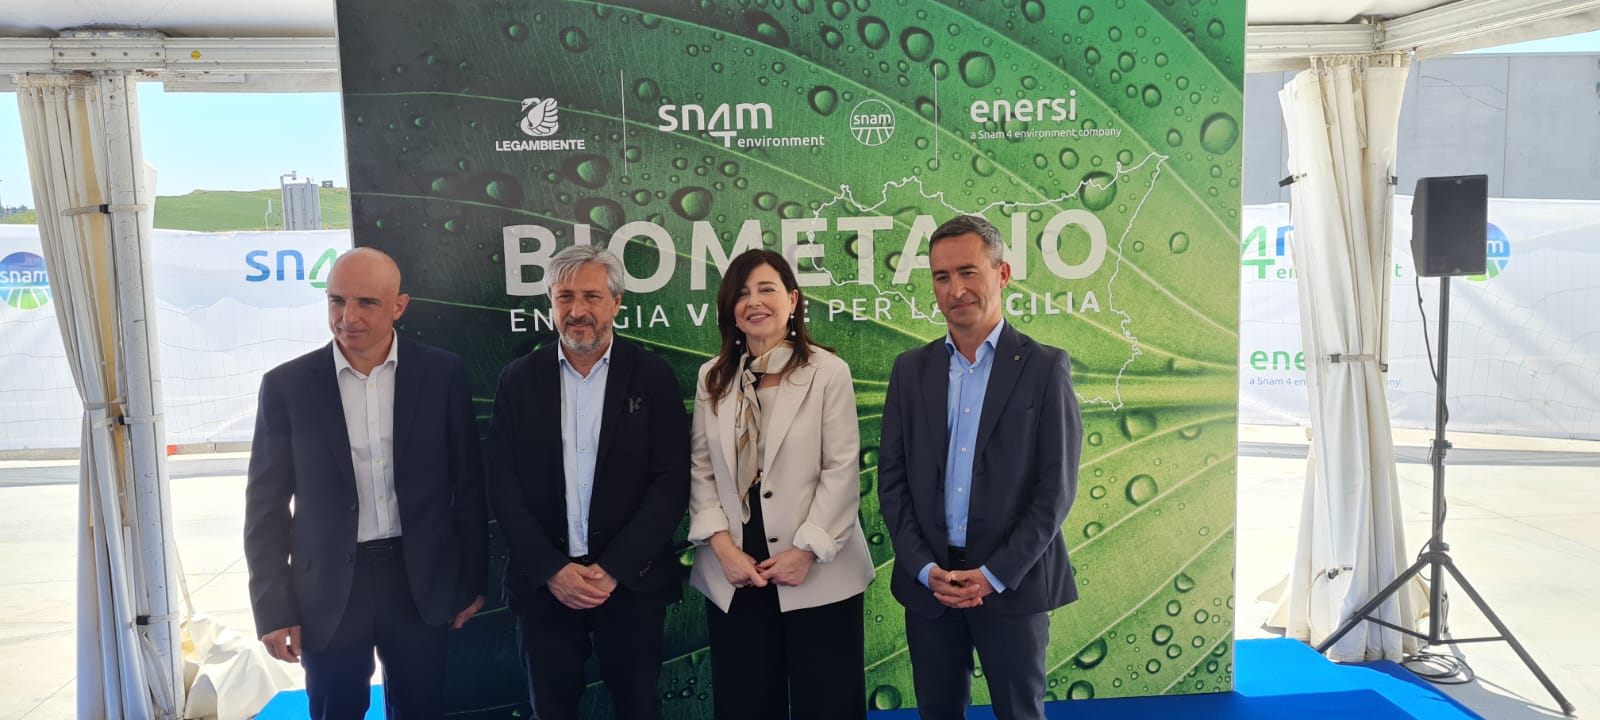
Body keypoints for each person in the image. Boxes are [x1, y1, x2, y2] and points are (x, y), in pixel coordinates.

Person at [244, 247, 487, 719]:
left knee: (420, 709)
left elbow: (468, 485)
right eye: (337, 300)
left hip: (420, 582)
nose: (347, 317)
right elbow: (265, 506)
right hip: (327, 588)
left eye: (366, 303)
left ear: (399, 306)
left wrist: (470, 581)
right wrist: (273, 607)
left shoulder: (442, 374)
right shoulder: (287, 386)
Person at [876, 215, 1083, 720]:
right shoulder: (910, 370)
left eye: (969, 272)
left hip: (1012, 584)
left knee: (1019, 713)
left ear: (1002, 273)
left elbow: (1055, 490)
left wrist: (994, 575)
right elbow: (893, 482)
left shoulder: (1044, 367)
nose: (956, 289)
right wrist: (924, 569)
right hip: (931, 587)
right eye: (942, 276)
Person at [486, 245, 690, 720]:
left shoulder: (652, 376)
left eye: (591, 297)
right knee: (550, 710)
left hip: (631, 584)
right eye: (565, 297)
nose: (577, 311)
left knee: (639, 708)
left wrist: (614, 567)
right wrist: (552, 569)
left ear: (616, 303)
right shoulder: (518, 379)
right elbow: (503, 483)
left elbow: (671, 481)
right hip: (545, 589)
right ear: (551, 303)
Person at [687, 249, 875, 720]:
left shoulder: (827, 372)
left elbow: (841, 468)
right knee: (746, 703)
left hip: (817, 567)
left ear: (792, 300)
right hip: (737, 570)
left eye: (766, 289)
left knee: (828, 704)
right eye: (742, 294)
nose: (754, 301)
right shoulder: (713, 377)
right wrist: (723, 549)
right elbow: (701, 468)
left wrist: (806, 551)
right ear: (731, 309)